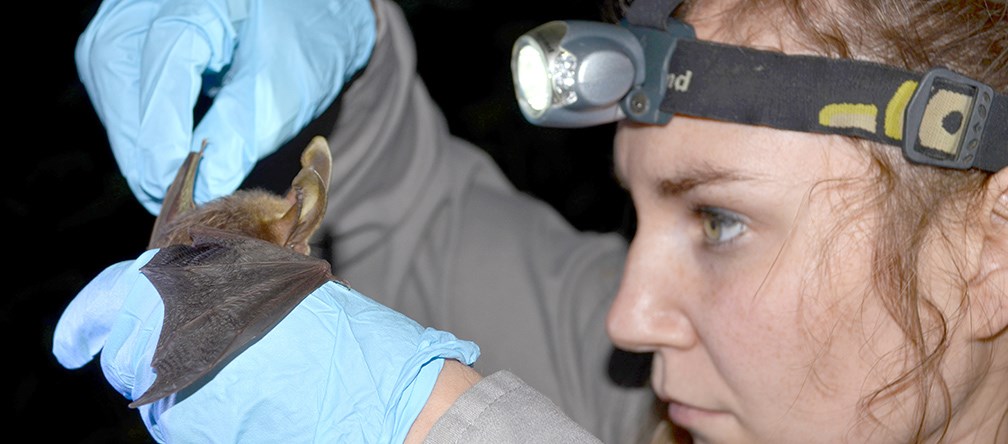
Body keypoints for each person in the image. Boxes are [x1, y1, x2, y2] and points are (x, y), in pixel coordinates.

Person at [55, 0, 1008, 443]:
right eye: (643, 214)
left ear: (987, 251)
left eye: (719, 221)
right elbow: (423, 221)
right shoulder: (650, 405)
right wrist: (339, 61)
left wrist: (456, 429)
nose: (630, 317)